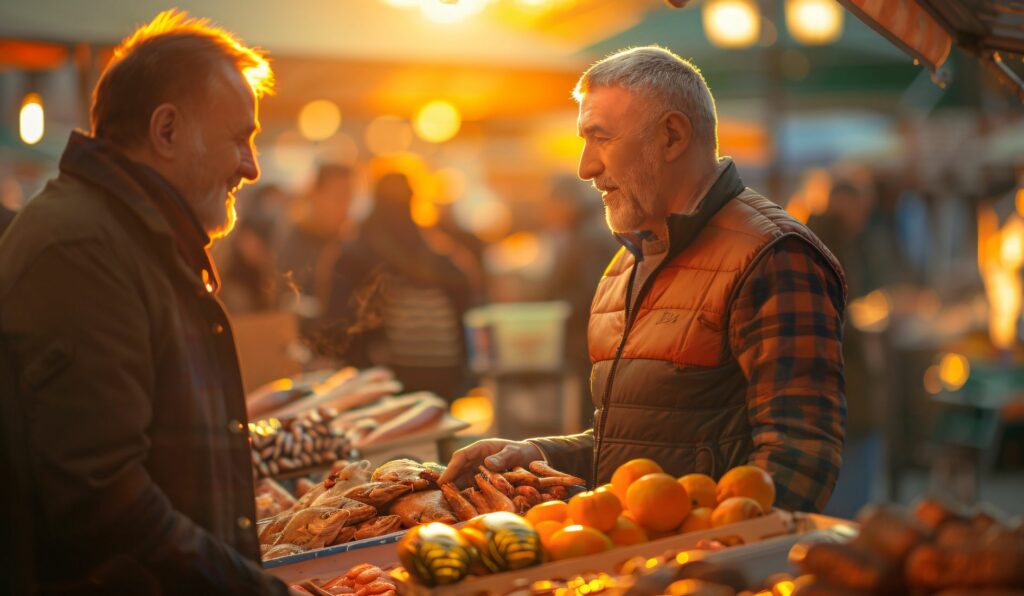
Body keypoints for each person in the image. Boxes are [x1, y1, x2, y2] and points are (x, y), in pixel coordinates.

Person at [440, 46, 848, 513]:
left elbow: (797, 464)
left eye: (599, 138)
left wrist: (697, 560)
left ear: (671, 136)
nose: (585, 167)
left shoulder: (772, 255)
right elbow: (639, 441)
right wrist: (538, 454)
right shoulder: (627, 262)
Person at [0, 11, 291, 594]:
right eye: (240, 138)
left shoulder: (133, 237)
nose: (250, 167)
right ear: (166, 131)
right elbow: (102, 497)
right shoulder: (81, 247)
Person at [321, 172, 482, 400]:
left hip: (389, 383)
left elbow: (337, 324)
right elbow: (470, 309)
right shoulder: (443, 258)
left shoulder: (357, 254)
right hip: (446, 381)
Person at [277, 163, 356, 326]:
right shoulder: (295, 243)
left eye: (349, 197)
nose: (346, 206)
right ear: (315, 195)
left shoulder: (352, 243)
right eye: (338, 197)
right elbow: (282, 299)